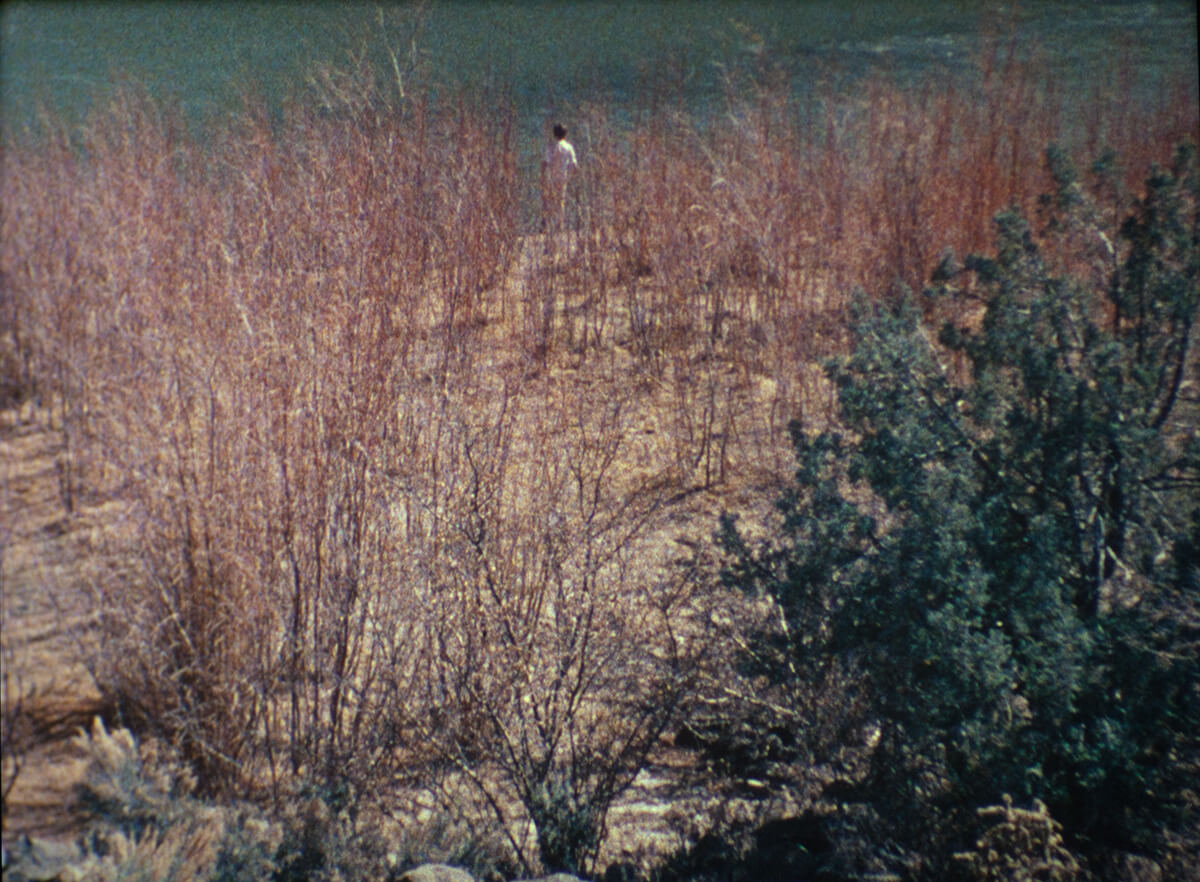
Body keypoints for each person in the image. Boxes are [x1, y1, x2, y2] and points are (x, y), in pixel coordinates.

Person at [540, 122, 579, 233]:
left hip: (551, 177)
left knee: (548, 201)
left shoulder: (551, 147)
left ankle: (547, 225)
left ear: (554, 134)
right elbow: (574, 165)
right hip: (563, 177)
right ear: (565, 134)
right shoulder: (569, 147)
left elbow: (545, 162)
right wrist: (573, 176)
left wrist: (542, 176)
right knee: (560, 202)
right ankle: (559, 226)